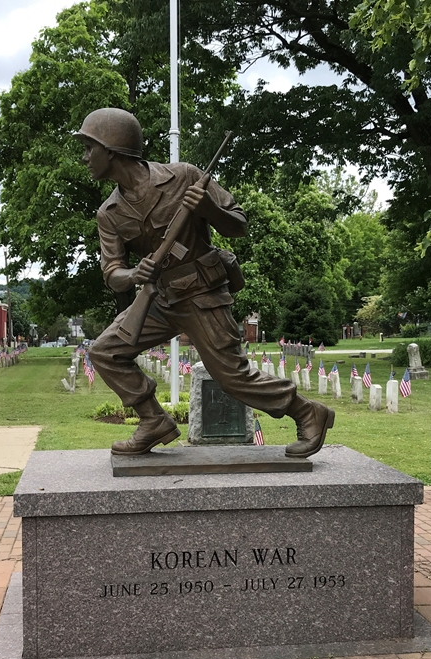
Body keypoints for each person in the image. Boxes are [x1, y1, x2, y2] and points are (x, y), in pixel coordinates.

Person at [78, 108, 334, 457]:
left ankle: (308, 411)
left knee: (232, 378)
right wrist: (135, 275)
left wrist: (210, 209)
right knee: (105, 352)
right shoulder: (109, 213)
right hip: (159, 300)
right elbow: (113, 273)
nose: (85, 157)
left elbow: (239, 225)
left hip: (202, 295)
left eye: (89, 147)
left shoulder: (184, 176)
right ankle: (152, 420)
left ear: (111, 148)